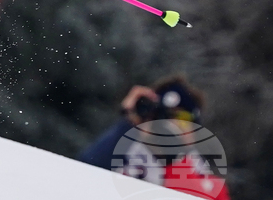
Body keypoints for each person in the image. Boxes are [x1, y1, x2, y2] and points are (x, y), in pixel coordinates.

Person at [78, 75, 230, 199]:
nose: (171, 126)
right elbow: (78, 179)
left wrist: (174, 163)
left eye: (183, 119)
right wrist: (128, 124)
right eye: (164, 116)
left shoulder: (210, 185)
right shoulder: (119, 160)